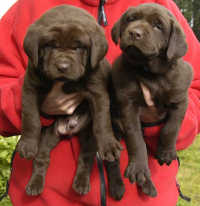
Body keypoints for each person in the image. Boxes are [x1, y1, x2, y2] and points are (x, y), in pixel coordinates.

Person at [0, 0, 200, 205]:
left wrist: (157, 121)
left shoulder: (161, 5)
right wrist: (37, 106)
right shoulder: (30, 6)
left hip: (141, 195)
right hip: (47, 198)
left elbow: (195, 89)